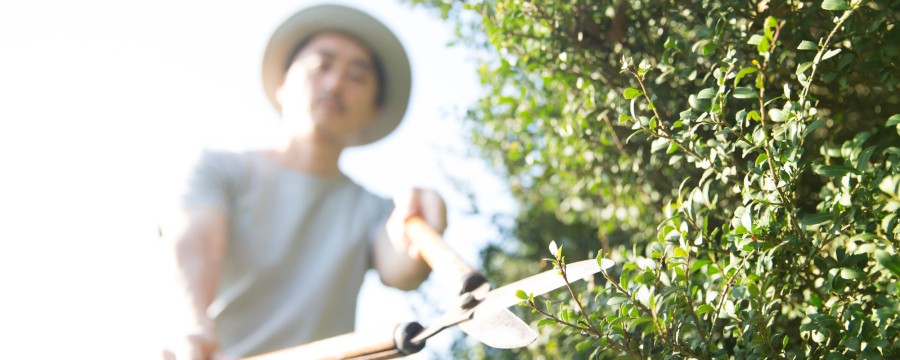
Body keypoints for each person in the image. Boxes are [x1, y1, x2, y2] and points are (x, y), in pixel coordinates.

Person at [162, 4, 446, 359]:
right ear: (283, 84)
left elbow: (402, 270)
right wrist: (194, 324)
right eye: (321, 65)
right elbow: (197, 245)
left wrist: (426, 217)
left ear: (373, 111)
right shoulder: (221, 170)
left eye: (357, 76)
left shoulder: (375, 212)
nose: (334, 83)